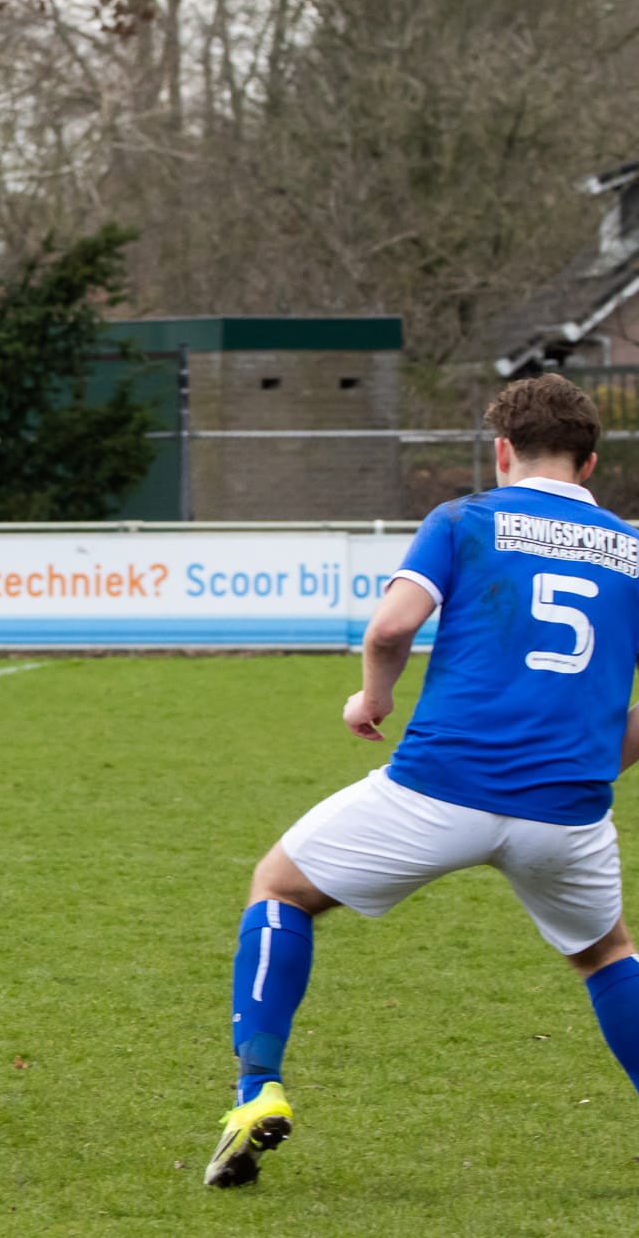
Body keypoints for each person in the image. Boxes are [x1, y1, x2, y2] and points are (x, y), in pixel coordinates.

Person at [205, 372, 639, 1188]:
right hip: (568, 812)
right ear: (589, 463)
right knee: (607, 953)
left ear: (502, 451)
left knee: (280, 887)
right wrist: (588, 760)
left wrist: (373, 698)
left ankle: (257, 1089)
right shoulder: (635, 550)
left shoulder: (462, 519)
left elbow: (391, 627)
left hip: (439, 786)